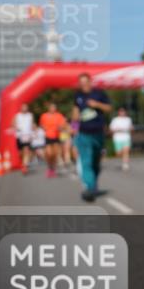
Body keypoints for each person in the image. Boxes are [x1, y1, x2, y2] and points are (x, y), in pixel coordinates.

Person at [72, 73, 112, 202]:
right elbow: (75, 112)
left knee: (95, 162)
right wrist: (74, 123)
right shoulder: (78, 95)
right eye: (81, 82)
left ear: (90, 82)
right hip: (84, 133)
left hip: (98, 133)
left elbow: (109, 108)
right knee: (86, 161)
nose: (83, 85)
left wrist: (97, 105)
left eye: (85, 82)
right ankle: (89, 188)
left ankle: (93, 183)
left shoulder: (99, 94)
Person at [38, 101, 68, 178]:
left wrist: (61, 128)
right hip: (48, 136)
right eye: (52, 107)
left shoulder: (59, 116)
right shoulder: (44, 116)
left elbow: (63, 125)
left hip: (56, 136)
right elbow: (41, 124)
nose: (53, 108)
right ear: (49, 108)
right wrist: (43, 127)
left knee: (55, 154)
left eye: (54, 107)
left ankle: (52, 169)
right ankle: (49, 167)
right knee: (49, 153)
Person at [12, 103, 34, 168]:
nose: (25, 108)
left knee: (26, 150)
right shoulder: (17, 115)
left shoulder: (30, 115)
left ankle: (25, 165)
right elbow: (13, 124)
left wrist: (33, 131)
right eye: (23, 107)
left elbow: (32, 124)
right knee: (20, 153)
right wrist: (16, 127)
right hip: (19, 136)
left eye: (26, 107)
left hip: (27, 135)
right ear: (21, 108)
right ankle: (24, 162)